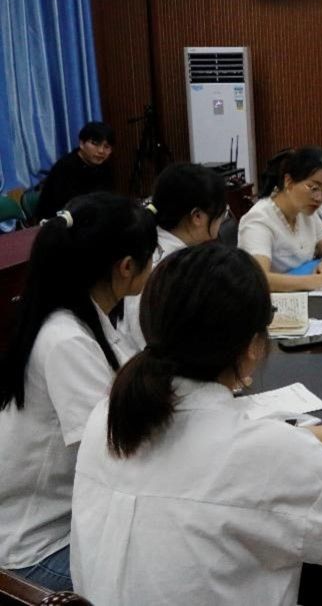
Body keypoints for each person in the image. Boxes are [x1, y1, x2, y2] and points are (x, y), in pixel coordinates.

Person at [71, 243, 322, 604]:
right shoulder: (268, 453)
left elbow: (196, 459)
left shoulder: (108, 415)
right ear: (253, 345)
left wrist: (299, 438)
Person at [0, 193, 156, 590]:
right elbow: (115, 452)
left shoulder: (88, 319)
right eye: (152, 257)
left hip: (70, 522)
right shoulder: (66, 340)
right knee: (175, 568)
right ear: (126, 267)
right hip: (39, 548)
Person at [122, 162, 230, 348]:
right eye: (223, 212)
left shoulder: (163, 246)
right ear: (197, 216)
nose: (223, 219)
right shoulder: (166, 265)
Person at [238, 147, 322, 291]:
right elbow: (259, 279)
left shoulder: (305, 212)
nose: (319, 198)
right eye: (314, 188)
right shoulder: (259, 219)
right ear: (288, 181)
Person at [33, 122, 115, 221]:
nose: (101, 151)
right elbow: (64, 206)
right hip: (57, 220)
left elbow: (108, 199)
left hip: (89, 218)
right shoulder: (65, 166)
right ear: (82, 144)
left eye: (106, 147)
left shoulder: (105, 167)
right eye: (95, 144)